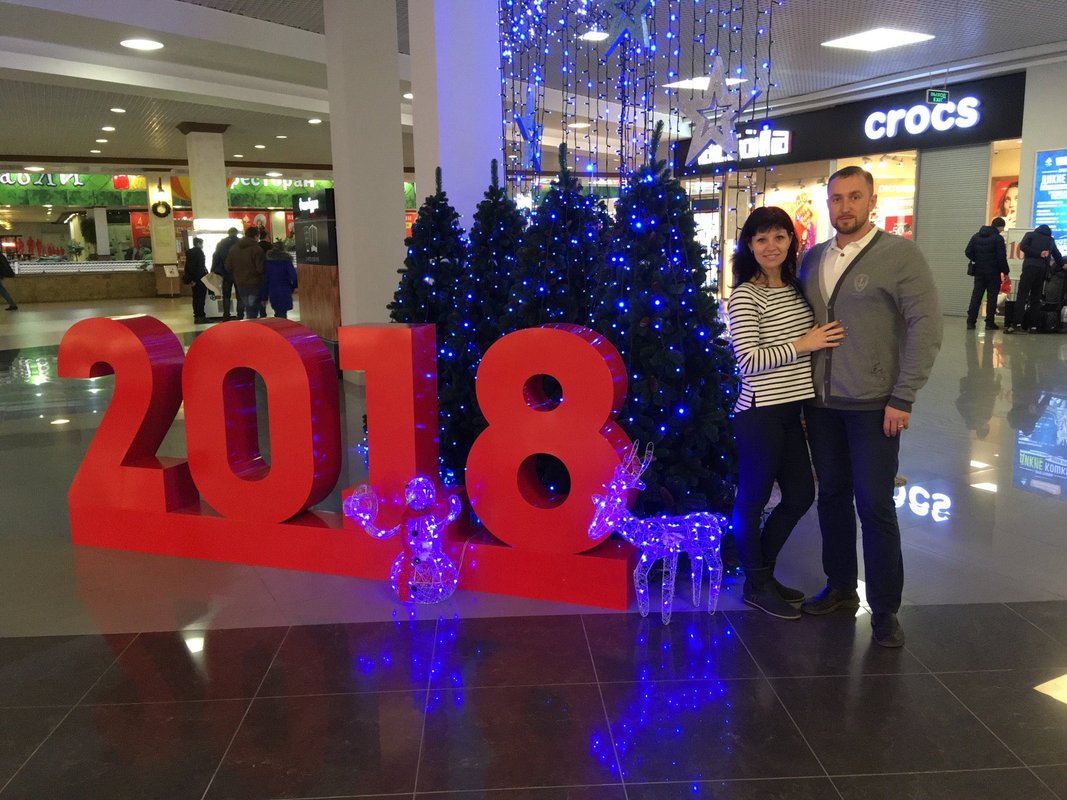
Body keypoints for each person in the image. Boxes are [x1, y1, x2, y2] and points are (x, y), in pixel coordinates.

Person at [797, 166, 942, 648]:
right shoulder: (813, 258)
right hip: (822, 405)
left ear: (871, 200)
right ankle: (841, 587)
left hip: (874, 406)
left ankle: (884, 610)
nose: (845, 207)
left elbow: (926, 326)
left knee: (876, 505)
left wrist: (903, 395)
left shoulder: (900, 255)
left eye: (854, 197)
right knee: (832, 497)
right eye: (837, 198)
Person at [726, 206, 846, 620]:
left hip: (792, 410)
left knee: (800, 495)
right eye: (761, 239)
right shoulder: (745, 296)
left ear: (791, 241)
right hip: (759, 412)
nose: (770, 246)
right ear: (749, 246)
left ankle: (760, 573)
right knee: (753, 498)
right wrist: (803, 344)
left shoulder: (796, 289)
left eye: (779, 236)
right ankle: (757, 583)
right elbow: (748, 361)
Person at [1007, 224, 1063, 334]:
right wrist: (1062, 264)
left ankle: (1017, 324)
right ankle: (1033, 326)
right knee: (1036, 298)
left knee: (1022, 296)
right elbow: (1057, 254)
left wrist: (1037, 253)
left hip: (1029, 268)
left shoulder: (1030, 235)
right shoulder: (1050, 240)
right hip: (1042, 271)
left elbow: (1023, 247)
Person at [964, 217, 1009, 331]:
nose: (1002, 230)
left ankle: (970, 322)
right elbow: (1001, 257)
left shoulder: (976, 236)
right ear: (999, 226)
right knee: (992, 297)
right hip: (993, 272)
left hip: (979, 271)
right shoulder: (998, 238)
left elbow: (968, 251)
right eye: (1002, 228)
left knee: (976, 296)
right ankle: (989, 323)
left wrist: (978, 259)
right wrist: (1005, 271)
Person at [225, 227, 266, 319]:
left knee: (248, 307)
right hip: (254, 283)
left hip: (240, 283)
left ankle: (248, 323)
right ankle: (252, 326)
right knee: (253, 309)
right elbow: (260, 269)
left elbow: (228, 266)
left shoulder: (234, 248)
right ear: (256, 236)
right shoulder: (257, 249)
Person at [211, 227, 242, 320]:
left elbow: (216, 257)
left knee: (226, 296)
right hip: (239, 273)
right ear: (237, 233)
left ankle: (226, 316)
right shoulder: (241, 243)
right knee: (240, 296)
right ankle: (240, 315)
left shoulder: (221, 243)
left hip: (225, 273)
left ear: (228, 233)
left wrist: (213, 270)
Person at [262, 241, 297, 319]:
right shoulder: (287, 262)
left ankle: (279, 321)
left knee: (278, 310)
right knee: (283, 312)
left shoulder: (268, 263)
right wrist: (293, 287)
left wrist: (264, 296)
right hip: (285, 288)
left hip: (273, 290)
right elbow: (293, 276)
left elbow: (266, 280)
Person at [183, 237, 208, 324]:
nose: (202, 246)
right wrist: (197, 279)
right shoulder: (199, 253)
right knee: (201, 298)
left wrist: (191, 280)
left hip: (193, 279)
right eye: (201, 244)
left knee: (195, 298)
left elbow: (188, 267)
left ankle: (196, 316)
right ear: (198, 244)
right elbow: (200, 268)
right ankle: (201, 316)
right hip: (200, 279)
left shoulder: (189, 253)